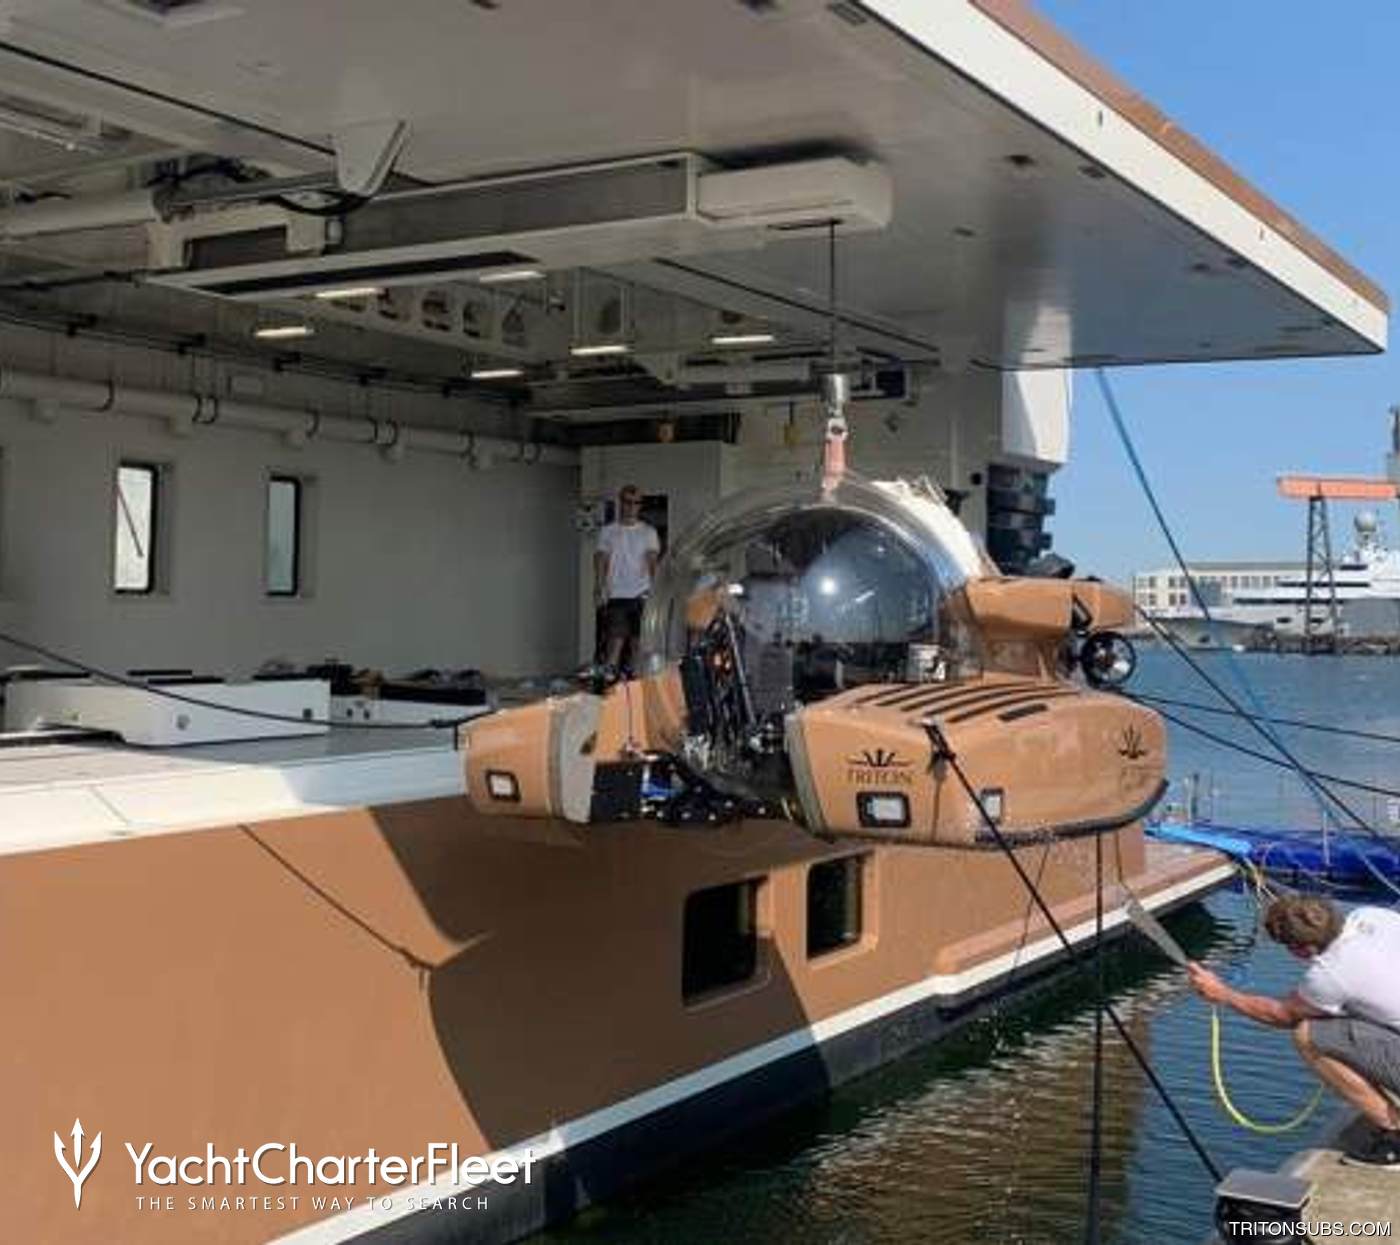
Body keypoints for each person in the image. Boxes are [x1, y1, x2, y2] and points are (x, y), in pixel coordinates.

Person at [1188, 895, 1400, 1168]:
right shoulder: (1373, 915)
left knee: (1308, 1034)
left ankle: (1394, 1134)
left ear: (1302, 949)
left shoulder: (1329, 974)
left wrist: (1223, 994)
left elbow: (1281, 1014)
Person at [594, 484, 660, 677]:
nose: (632, 506)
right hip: (616, 594)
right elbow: (600, 559)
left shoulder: (648, 532)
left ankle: (633, 682)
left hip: (642, 594)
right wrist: (599, 586)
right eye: (628, 502)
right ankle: (610, 682)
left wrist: (657, 592)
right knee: (615, 642)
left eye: (636, 502)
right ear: (621, 503)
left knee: (638, 644)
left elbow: (652, 562)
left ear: (640, 505)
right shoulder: (608, 531)